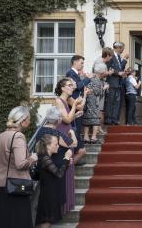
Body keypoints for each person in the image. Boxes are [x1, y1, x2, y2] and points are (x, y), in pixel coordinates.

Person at [0, 106, 38, 228]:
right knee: (18, 221)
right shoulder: (18, 136)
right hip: (15, 188)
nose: (30, 121)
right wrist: (33, 158)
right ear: (23, 120)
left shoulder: (0, 136)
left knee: (3, 221)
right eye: (29, 118)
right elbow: (20, 163)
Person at [34, 106, 77, 216]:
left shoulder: (39, 131)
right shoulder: (56, 133)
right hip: (56, 168)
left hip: (43, 167)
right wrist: (72, 133)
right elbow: (74, 143)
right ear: (58, 120)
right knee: (52, 204)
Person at [54, 78, 84, 214]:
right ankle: (62, 206)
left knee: (69, 166)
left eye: (72, 85)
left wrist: (76, 113)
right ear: (62, 88)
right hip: (63, 135)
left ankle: (67, 204)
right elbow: (66, 119)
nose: (72, 87)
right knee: (66, 166)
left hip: (67, 133)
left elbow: (68, 118)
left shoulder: (65, 101)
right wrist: (73, 108)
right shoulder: (59, 100)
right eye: (69, 85)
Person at [35, 135, 72, 228]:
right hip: (48, 195)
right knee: (46, 221)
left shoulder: (45, 157)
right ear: (48, 145)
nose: (58, 146)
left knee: (48, 222)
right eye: (56, 144)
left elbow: (55, 172)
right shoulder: (45, 158)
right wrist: (66, 158)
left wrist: (66, 162)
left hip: (50, 193)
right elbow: (59, 174)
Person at [65, 55, 91, 151]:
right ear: (75, 62)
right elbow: (77, 87)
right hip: (74, 106)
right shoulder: (70, 73)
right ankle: (75, 153)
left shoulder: (75, 73)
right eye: (81, 63)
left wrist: (85, 92)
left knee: (78, 129)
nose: (83, 65)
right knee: (75, 130)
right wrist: (87, 78)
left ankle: (77, 152)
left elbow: (79, 87)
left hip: (78, 104)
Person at [82, 63, 109, 142]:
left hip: (86, 101)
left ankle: (86, 137)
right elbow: (98, 92)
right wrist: (104, 88)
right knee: (95, 119)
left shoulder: (90, 77)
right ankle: (93, 137)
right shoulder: (97, 80)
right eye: (105, 71)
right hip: (93, 102)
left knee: (87, 119)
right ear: (101, 72)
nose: (105, 73)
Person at [105, 42, 128, 125]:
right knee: (110, 101)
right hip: (111, 82)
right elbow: (109, 68)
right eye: (122, 48)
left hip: (118, 83)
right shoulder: (110, 56)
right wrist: (118, 73)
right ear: (118, 47)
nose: (123, 50)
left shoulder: (118, 56)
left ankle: (114, 119)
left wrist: (123, 73)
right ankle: (108, 119)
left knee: (117, 102)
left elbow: (119, 68)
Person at [92, 47, 114, 134]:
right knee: (99, 109)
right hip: (99, 86)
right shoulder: (99, 62)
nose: (111, 58)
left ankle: (98, 128)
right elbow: (98, 74)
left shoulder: (100, 61)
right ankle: (98, 129)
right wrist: (108, 73)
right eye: (111, 56)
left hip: (100, 85)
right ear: (107, 55)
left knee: (100, 108)